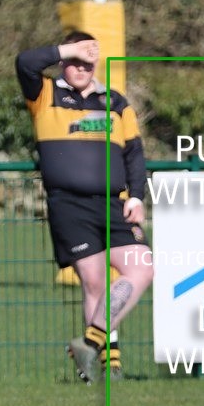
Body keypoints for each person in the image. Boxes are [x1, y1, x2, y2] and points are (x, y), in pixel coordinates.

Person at [16, 31, 154, 384]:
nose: (80, 66)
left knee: (141, 269)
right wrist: (67, 48)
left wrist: (136, 195)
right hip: (69, 204)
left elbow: (134, 154)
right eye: (73, 59)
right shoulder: (46, 94)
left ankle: (89, 342)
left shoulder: (116, 102)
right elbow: (24, 63)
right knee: (93, 283)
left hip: (114, 204)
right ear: (63, 60)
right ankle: (106, 369)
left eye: (86, 59)